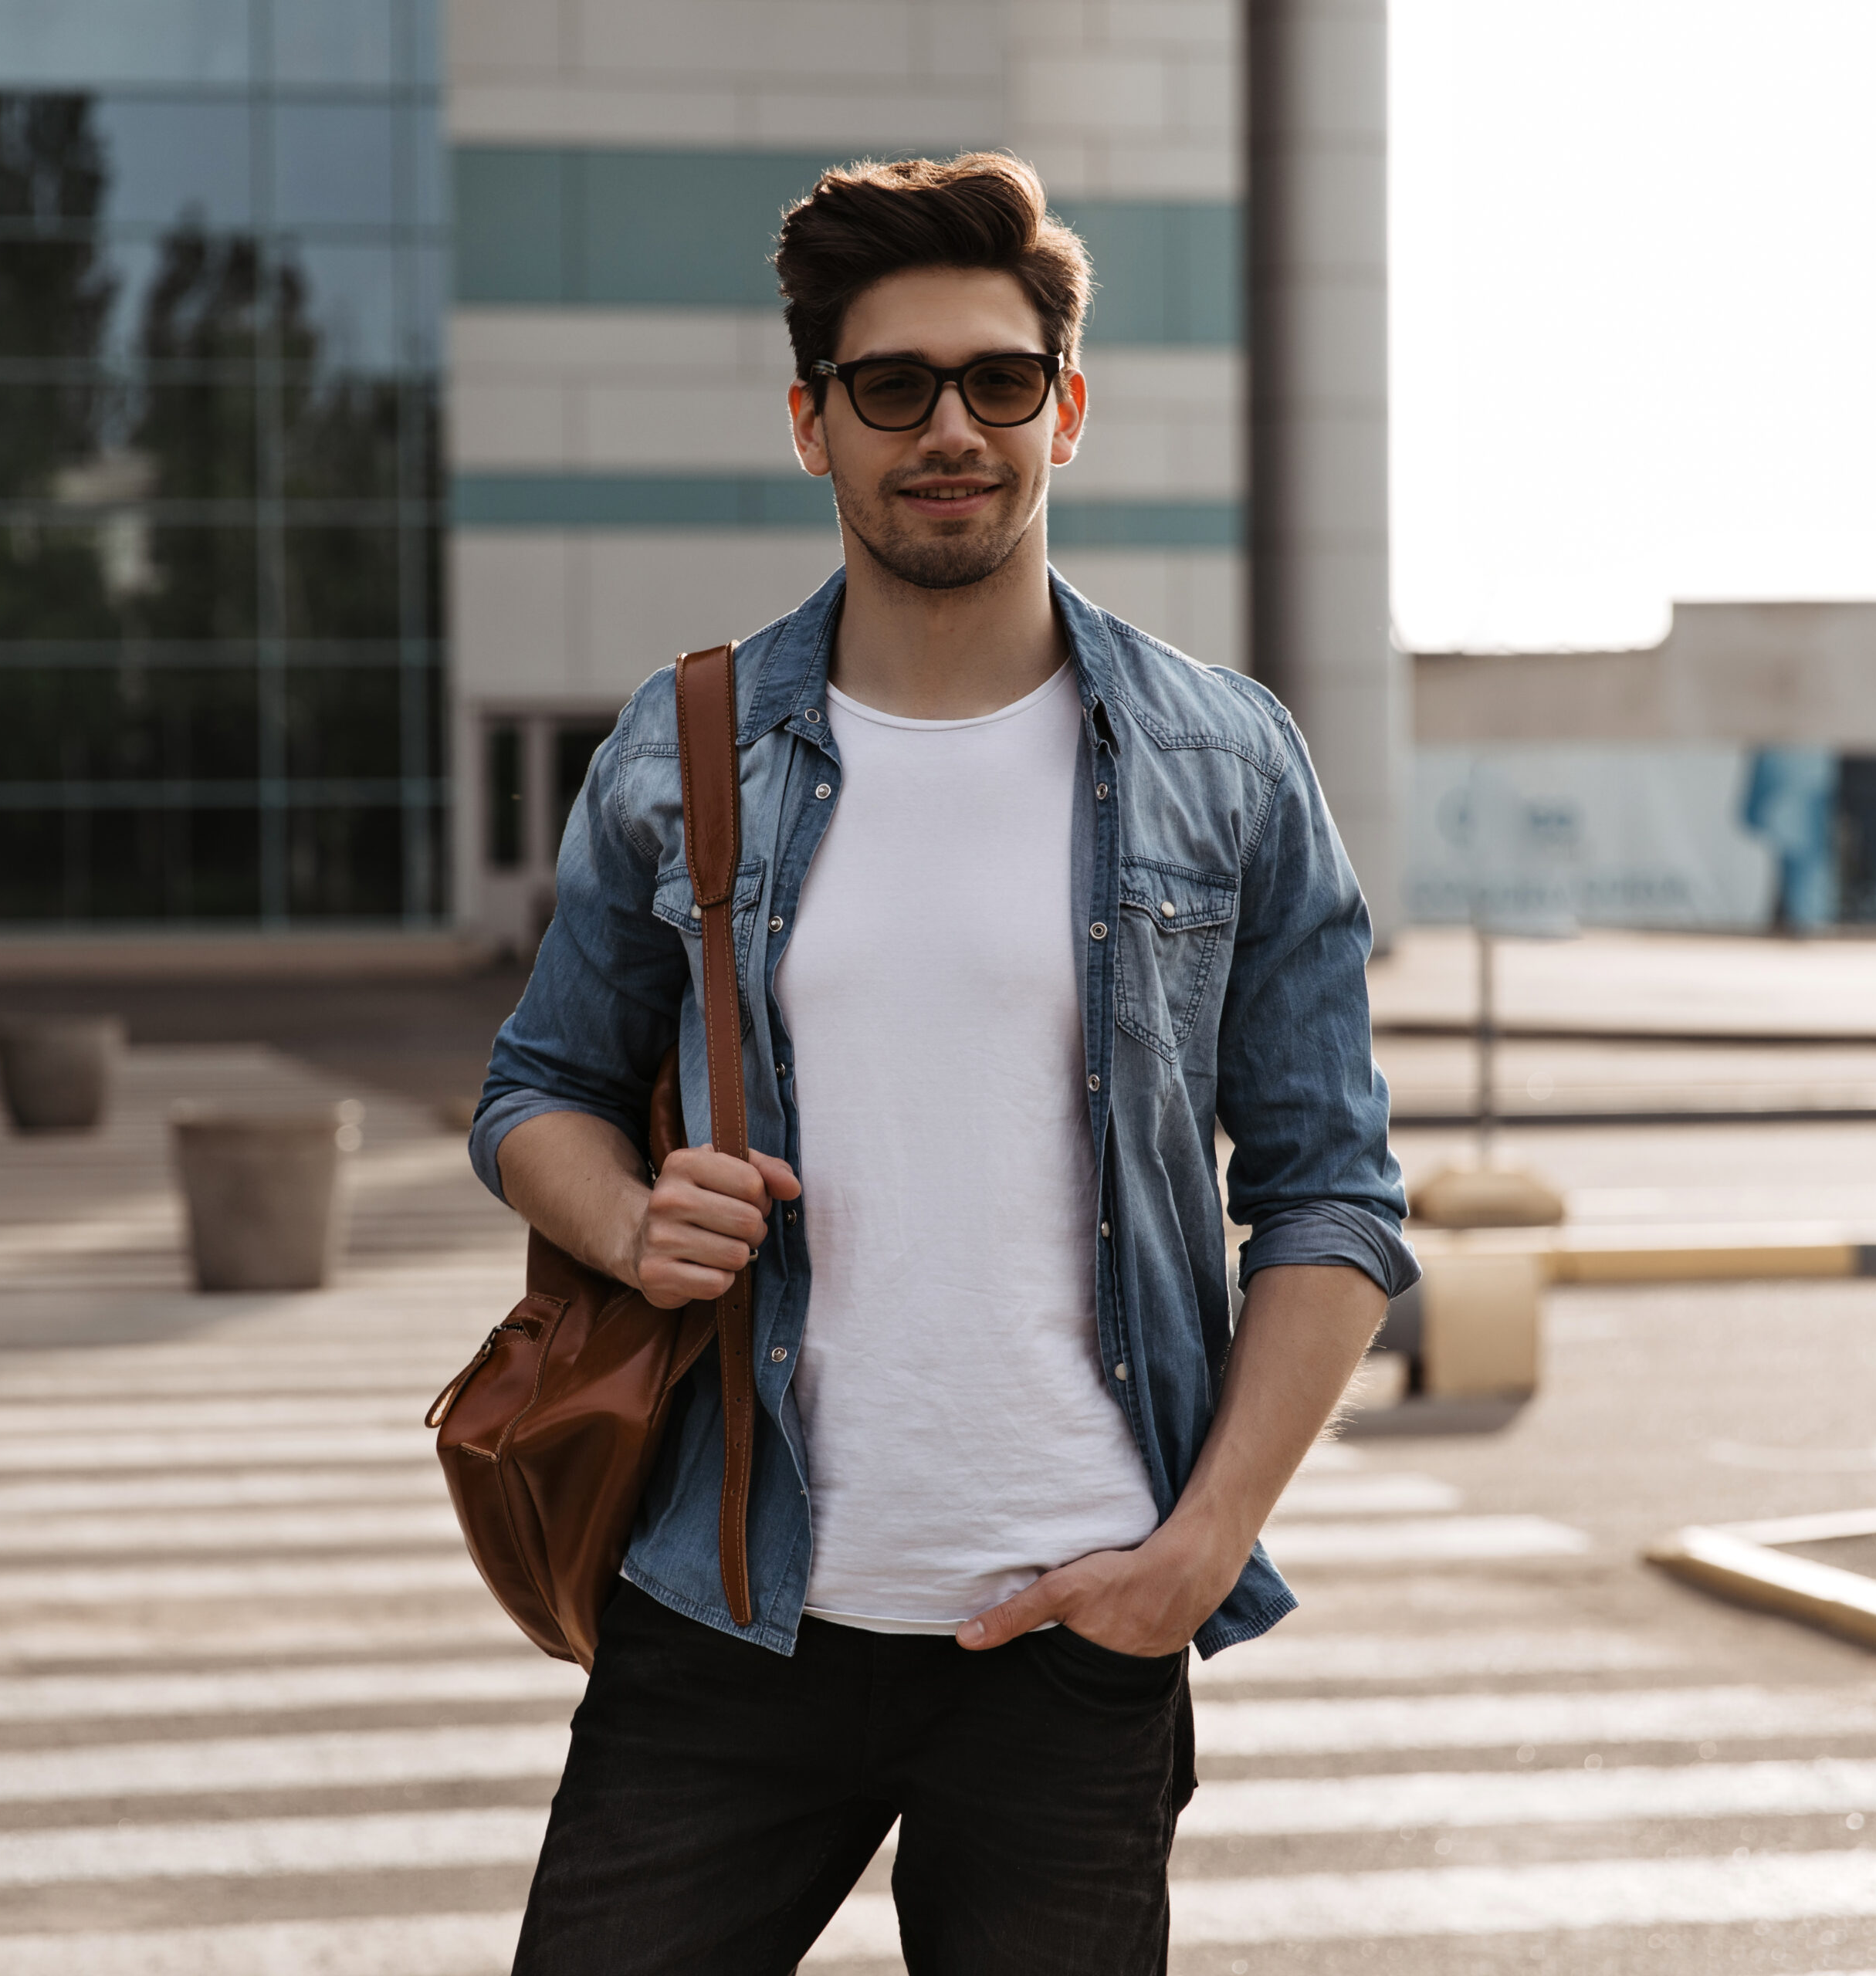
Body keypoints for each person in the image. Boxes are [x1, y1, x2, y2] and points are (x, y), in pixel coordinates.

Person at [472, 151, 1415, 1976]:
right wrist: (624, 1219)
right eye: (892, 386)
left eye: (996, 379)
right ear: (812, 422)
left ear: (1066, 406)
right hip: (735, 1608)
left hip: (1078, 1625)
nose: (949, 427)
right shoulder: (687, 749)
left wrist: (1199, 1549)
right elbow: (535, 1094)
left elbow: (1332, 1190)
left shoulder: (1227, 762)